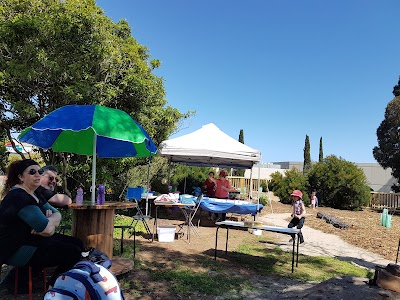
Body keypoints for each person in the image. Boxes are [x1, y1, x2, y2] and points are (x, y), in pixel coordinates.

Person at [0, 159, 83, 288]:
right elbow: (48, 230)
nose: (38, 174)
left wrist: (47, 222)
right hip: (16, 250)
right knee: (73, 252)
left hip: (31, 239)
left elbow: (57, 214)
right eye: (32, 172)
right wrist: (46, 225)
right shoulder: (19, 197)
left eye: (40, 171)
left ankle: (27, 282)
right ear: (21, 177)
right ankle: (54, 287)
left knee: (77, 243)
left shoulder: (33, 194)